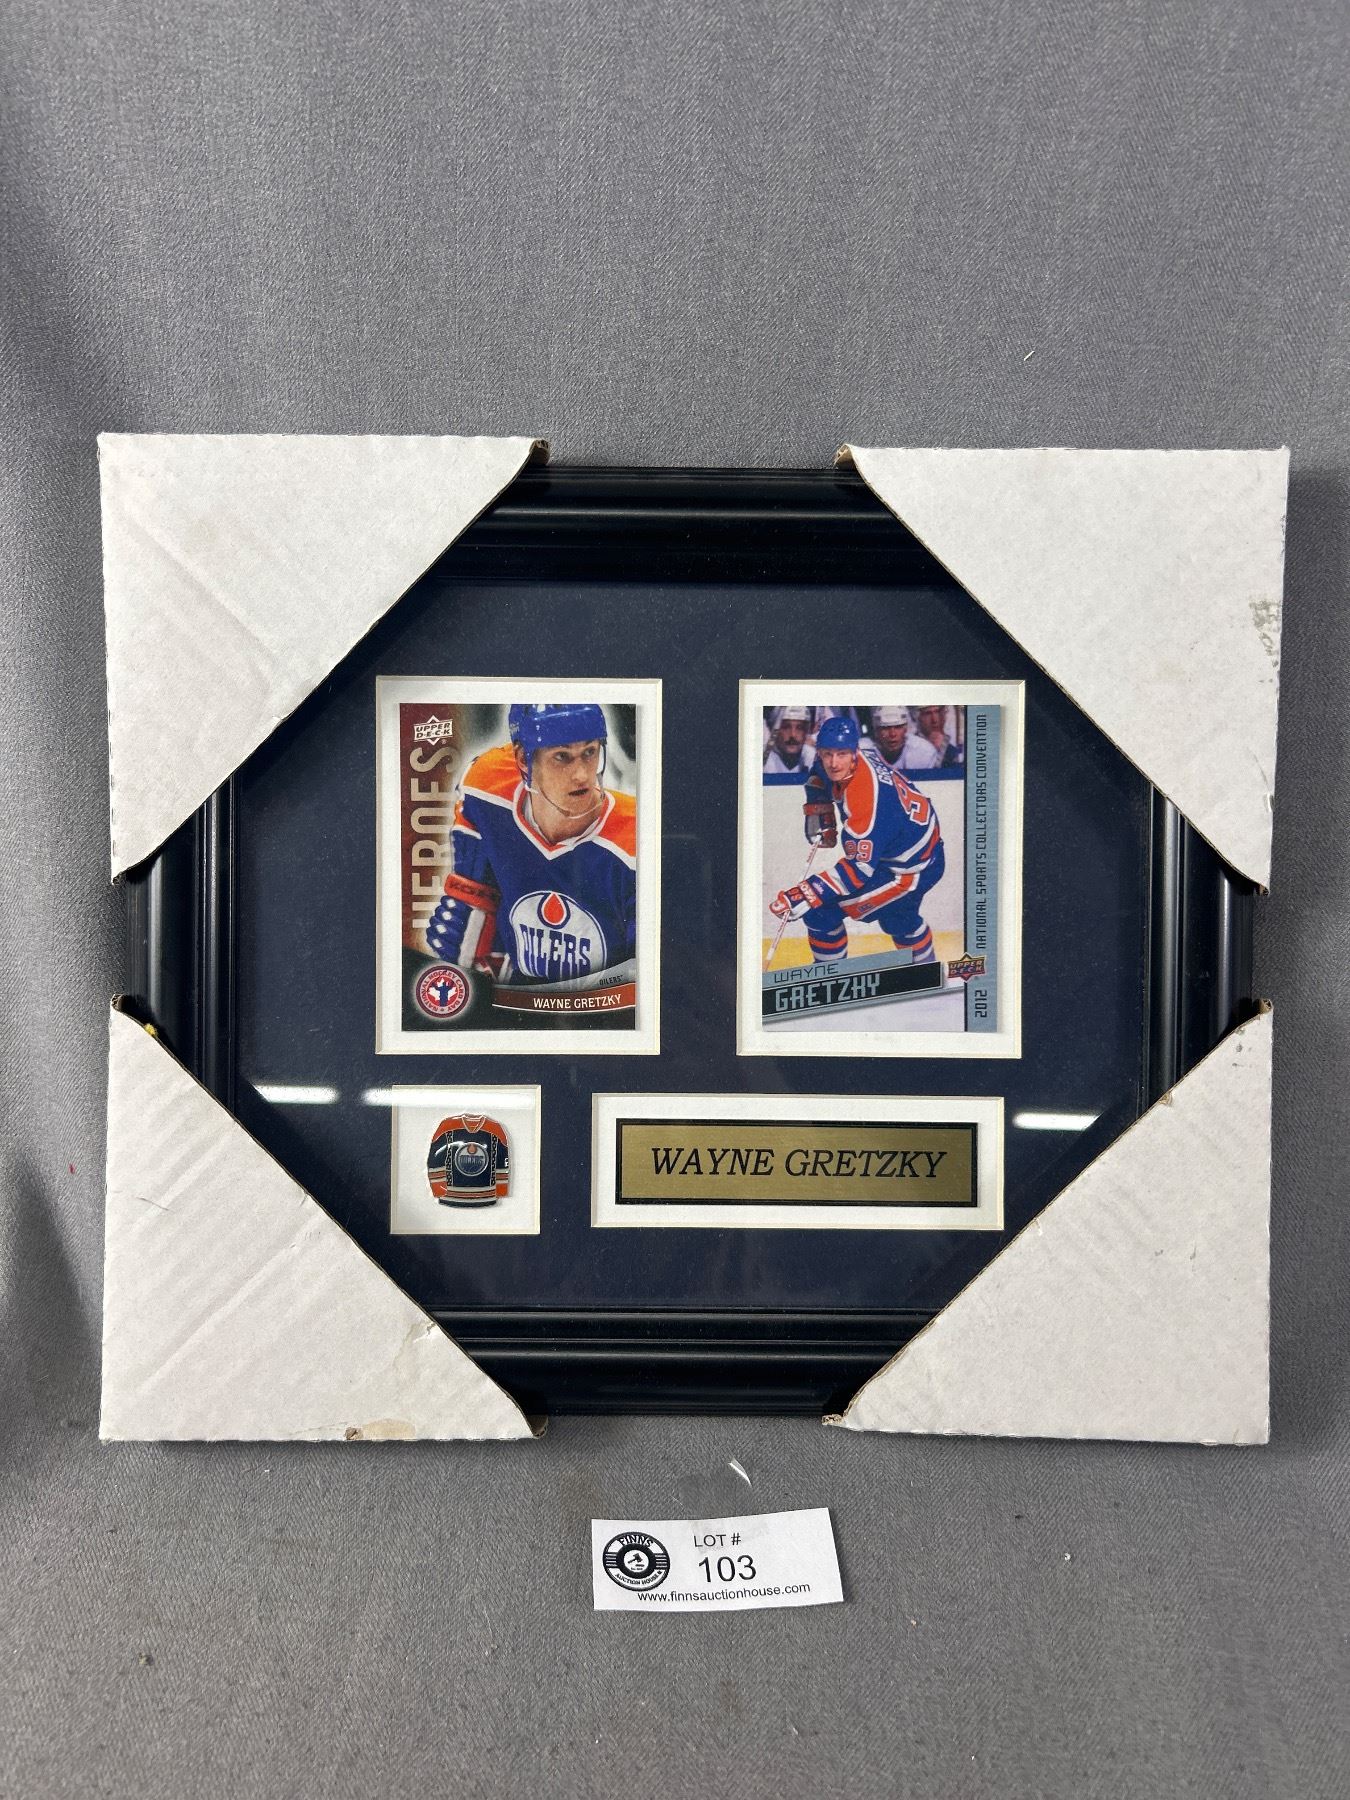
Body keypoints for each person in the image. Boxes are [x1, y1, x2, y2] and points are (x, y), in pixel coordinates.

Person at [426, 703, 636, 985]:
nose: (582, 775)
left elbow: (647, 976)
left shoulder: (634, 839)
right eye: (562, 756)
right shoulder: (487, 788)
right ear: (523, 761)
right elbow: (471, 907)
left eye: (589, 752)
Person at [771, 715, 945, 965]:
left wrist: (807, 892)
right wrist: (820, 807)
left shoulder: (865, 798)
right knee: (898, 919)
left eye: (841, 754)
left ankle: (829, 976)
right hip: (910, 848)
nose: (833, 763)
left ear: (854, 752)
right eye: (827, 753)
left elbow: (858, 871)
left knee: (821, 910)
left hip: (911, 869)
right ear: (819, 751)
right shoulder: (839, 761)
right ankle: (926, 968)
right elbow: (818, 776)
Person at [870, 704, 940, 773]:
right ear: (877, 731)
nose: (892, 734)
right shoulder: (865, 750)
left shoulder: (924, 751)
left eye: (898, 727)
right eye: (886, 728)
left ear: (905, 729)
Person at [763, 705, 817, 775]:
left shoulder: (813, 758)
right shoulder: (762, 761)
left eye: (799, 728)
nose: (793, 735)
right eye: (786, 727)